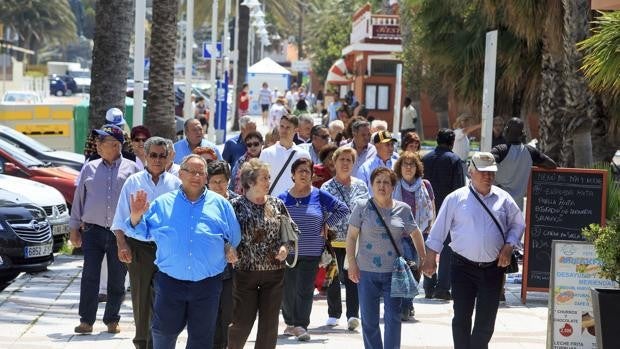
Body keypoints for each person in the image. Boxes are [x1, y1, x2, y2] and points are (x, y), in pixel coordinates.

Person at [124, 154, 241, 349]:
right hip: (170, 283)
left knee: (201, 340)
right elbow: (140, 231)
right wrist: (136, 216)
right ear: (181, 174)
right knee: (163, 334)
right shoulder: (162, 203)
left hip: (208, 285)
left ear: (205, 177)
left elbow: (234, 237)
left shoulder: (221, 205)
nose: (196, 176)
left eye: (201, 173)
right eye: (191, 172)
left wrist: (228, 246)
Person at [421, 152, 525, 349]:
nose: (488, 176)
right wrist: (430, 258)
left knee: (486, 321)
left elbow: (518, 225)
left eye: (491, 172)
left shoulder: (504, 199)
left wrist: (510, 245)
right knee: (461, 316)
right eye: (483, 172)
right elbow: (439, 230)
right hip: (462, 267)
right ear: (471, 172)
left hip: (493, 269)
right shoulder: (456, 198)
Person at [111, 136, 181, 349]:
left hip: (167, 249)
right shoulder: (133, 182)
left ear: (168, 157)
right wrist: (122, 244)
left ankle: (161, 343)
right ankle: (142, 343)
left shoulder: (176, 184)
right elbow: (120, 218)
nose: (158, 160)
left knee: (165, 299)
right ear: (146, 156)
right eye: (153, 155)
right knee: (141, 300)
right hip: (139, 249)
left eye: (162, 155)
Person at [69, 124, 140, 334]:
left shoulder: (133, 169)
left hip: (121, 233)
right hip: (92, 230)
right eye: (98, 141)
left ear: (117, 145)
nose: (97, 145)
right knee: (90, 275)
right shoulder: (89, 167)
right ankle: (86, 321)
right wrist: (74, 228)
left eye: (103, 142)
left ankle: (112, 319)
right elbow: (78, 200)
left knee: (117, 278)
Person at [346, 167, 426, 349]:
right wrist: (352, 263)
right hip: (366, 272)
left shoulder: (403, 209)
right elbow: (351, 237)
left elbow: (415, 233)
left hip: (394, 273)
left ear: (393, 186)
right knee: (369, 319)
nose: (382, 186)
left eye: (386, 182)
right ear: (371, 185)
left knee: (393, 317)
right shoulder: (362, 207)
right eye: (378, 182)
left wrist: (423, 258)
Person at [227, 159, 297, 349]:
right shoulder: (235, 206)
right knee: (241, 322)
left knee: (269, 325)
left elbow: (291, 232)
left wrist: (285, 247)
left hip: (274, 273)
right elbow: (223, 235)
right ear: (250, 182)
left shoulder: (277, 204)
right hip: (245, 273)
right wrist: (228, 248)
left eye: (268, 178)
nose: (268, 181)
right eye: (264, 178)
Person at [278, 158, 350, 341]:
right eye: (300, 171)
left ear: (312, 175)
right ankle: (290, 323)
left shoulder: (318, 195)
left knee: (304, 290)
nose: (304, 174)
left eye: (307, 171)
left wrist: (328, 224)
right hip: (289, 253)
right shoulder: (282, 198)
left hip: (312, 252)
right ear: (292, 175)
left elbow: (343, 209)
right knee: (287, 291)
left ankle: (301, 325)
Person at [321, 147, 369, 330]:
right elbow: (323, 213)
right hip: (333, 241)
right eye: (342, 159)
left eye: (349, 159)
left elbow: (366, 211)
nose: (345, 163)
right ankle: (333, 314)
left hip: (355, 241)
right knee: (332, 278)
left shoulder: (361, 185)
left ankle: (353, 315)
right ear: (334, 162)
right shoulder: (326, 187)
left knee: (353, 278)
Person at [421, 128, 465, 300]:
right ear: (452, 142)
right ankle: (443, 287)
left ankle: (428, 286)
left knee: (429, 245)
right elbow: (460, 189)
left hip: (428, 210)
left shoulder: (425, 158)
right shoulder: (455, 160)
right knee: (446, 248)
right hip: (448, 210)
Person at [393, 151, 435, 321]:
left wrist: (432, 229)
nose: (408, 167)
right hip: (400, 235)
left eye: (412, 164)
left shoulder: (425, 185)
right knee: (407, 269)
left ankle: (408, 304)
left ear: (417, 167)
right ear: (399, 167)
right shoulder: (394, 184)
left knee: (416, 272)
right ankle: (404, 306)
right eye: (405, 164)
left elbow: (432, 207)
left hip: (421, 234)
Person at [206, 160, 239, 349]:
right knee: (209, 314)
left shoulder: (238, 202)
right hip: (208, 267)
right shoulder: (202, 202)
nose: (218, 186)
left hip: (233, 269)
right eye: (214, 182)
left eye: (222, 181)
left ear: (228, 181)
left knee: (229, 313)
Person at [491, 117, 557, 210]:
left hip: (497, 203)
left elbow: (488, 162)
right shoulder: (530, 152)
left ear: (506, 131)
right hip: (517, 207)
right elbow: (552, 165)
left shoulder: (500, 150)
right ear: (523, 134)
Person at [258, 115, 310, 196]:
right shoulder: (266, 153)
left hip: (296, 204)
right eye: (282, 126)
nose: (284, 130)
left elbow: (307, 182)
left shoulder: (303, 155)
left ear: (296, 130)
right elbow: (259, 180)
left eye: (288, 127)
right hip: (272, 203)